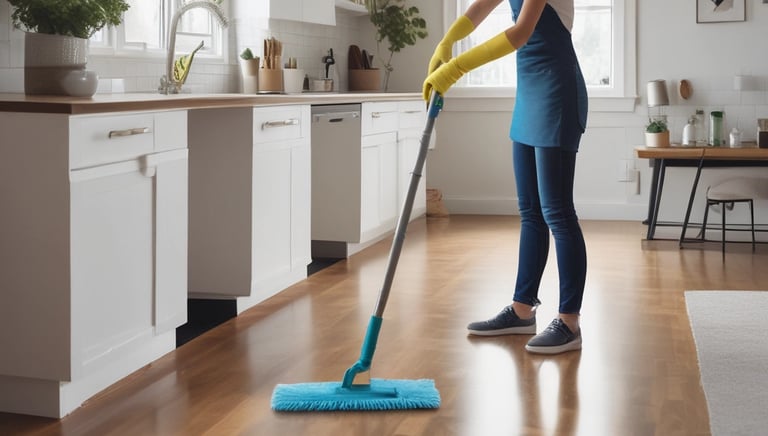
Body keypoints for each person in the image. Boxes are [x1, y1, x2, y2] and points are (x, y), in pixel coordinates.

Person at [423, 0, 588, 354]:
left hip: (558, 91)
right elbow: (477, 11)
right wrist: (446, 42)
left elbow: (520, 31)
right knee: (530, 211)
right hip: (529, 91)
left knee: (557, 212)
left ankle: (570, 322)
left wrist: (456, 68)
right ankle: (521, 310)